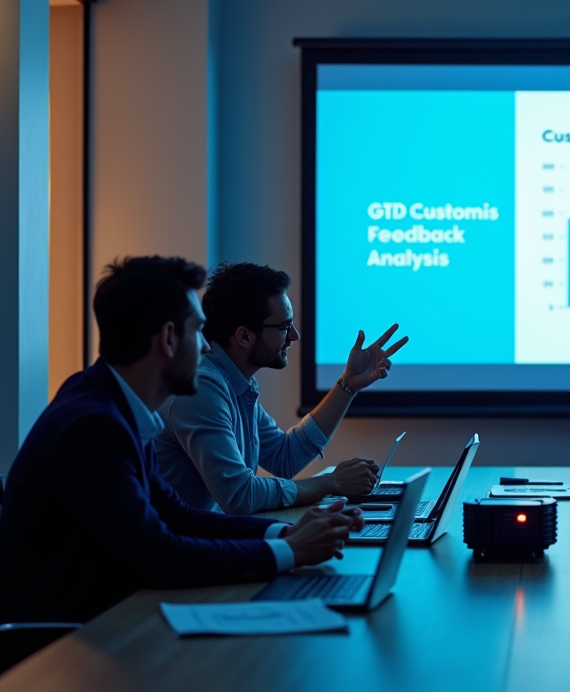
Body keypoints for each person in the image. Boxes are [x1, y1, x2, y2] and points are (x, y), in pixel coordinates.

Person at [0, 256, 364, 623]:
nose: (207, 348)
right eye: (199, 332)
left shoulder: (116, 406)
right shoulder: (94, 426)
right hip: (63, 642)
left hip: (107, 614)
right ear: (169, 339)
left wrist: (284, 532)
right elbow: (158, 555)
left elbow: (176, 515)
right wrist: (288, 552)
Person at [155, 263, 408, 515]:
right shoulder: (201, 388)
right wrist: (333, 482)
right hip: (181, 550)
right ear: (244, 337)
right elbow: (239, 495)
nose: (294, 335)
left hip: (212, 539)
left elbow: (284, 457)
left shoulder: (234, 382)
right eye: (284, 327)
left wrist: (348, 383)